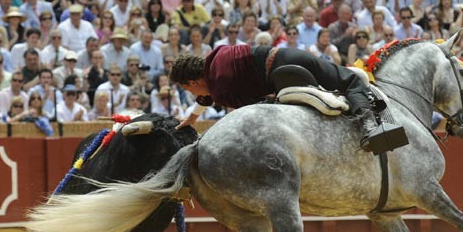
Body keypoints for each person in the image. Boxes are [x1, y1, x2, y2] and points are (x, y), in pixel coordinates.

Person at [171, 45, 407, 154]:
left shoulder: (220, 88)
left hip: (281, 76)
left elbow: (245, 109)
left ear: (192, 83)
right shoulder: (217, 58)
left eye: (189, 90)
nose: (195, 96)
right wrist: (191, 118)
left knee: (350, 81)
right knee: (350, 81)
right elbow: (207, 94)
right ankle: (368, 126)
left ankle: (368, 128)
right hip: (286, 58)